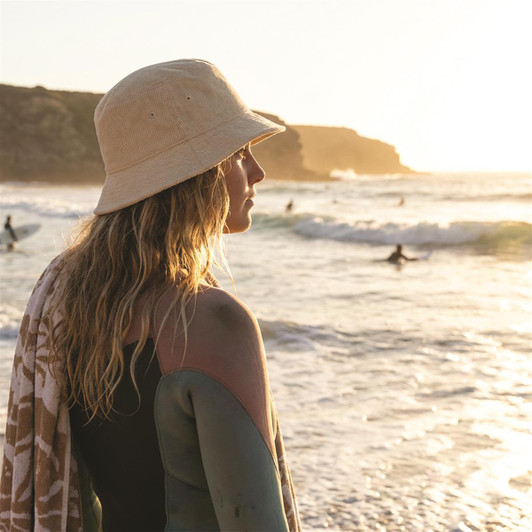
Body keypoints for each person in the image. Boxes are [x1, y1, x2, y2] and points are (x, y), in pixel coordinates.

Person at [0, 59, 301, 531]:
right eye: (240, 153)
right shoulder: (212, 319)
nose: (258, 172)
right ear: (199, 173)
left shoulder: (70, 309)